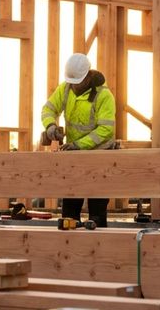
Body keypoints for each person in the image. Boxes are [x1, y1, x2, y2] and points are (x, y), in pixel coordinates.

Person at [41, 53, 116, 227]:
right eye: (71, 82)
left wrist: (79, 145)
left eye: (77, 82)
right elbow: (48, 109)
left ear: (88, 76)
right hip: (74, 157)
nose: (73, 87)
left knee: (96, 213)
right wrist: (51, 126)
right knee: (69, 212)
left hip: (100, 157)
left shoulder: (104, 96)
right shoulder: (65, 88)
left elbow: (105, 130)